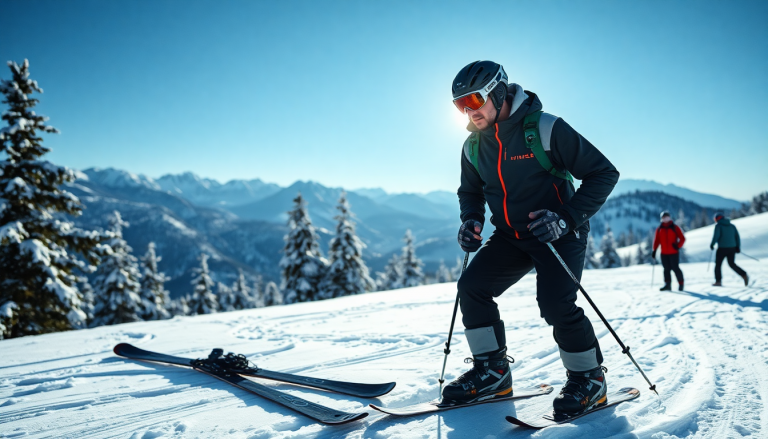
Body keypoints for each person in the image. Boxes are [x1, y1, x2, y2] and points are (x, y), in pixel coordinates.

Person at [445, 60, 619, 416]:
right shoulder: (473, 146)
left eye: (473, 101)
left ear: (496, 92)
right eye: (459, 105)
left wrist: (567, 218)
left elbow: (604, 173)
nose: (467, 111)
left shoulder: (545, 128)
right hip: (511, 235)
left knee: (556, 304)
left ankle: (589, 380)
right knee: (471, 287)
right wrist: (471, 220)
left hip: (558, 233)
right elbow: (470, 191)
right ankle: (491, 372)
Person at [710, 212, 748, 286]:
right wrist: (737, 247)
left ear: (717, 219)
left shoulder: (718, 226)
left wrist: (712, 244)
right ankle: (744, 274)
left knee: (718, 265)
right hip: (732, 248)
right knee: (731, 264)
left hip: (722, 249)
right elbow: (737, 237)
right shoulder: (732, 226)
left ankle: (718, 281)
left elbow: (716, 236)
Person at [652, 211, 686, 291]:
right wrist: (654, 250)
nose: (665, 219)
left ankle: (681, 284)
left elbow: (682, 238)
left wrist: (678, 246)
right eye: (664, 218)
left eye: (667, 217)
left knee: (675, 268)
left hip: (674, 252)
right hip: (664, 253)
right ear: (661, 219)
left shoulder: (675, 227)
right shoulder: (659, 229)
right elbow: (657, 240)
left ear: (669, 218)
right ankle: (667, 285)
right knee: (666, 269)